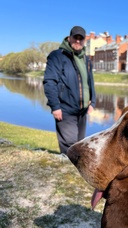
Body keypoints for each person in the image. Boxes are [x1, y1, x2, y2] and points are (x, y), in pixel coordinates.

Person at [43, 26, 96, 154]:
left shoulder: (86, 60)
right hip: (65, 110)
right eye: (75, 38)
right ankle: (67, 170)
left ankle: (75, 171)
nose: (78, 41)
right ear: (69, 38)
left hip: (82, 111)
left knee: (80, 144)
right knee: (69, 145)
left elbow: (90, 82)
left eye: (81, 38)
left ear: (84, 40)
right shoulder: (57, 56)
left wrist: (92, 102)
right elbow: (49, 82)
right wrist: (55, 106)